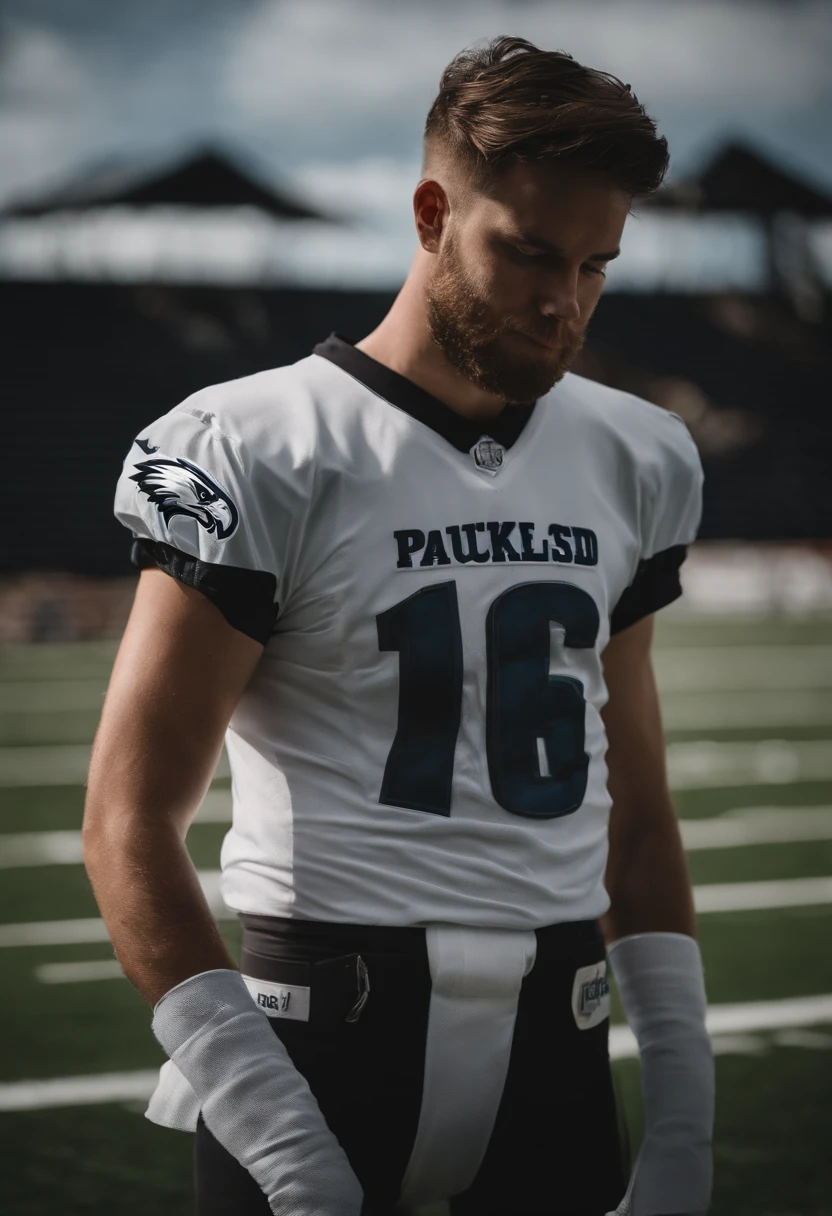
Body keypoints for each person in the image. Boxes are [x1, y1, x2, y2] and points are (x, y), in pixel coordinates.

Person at [83, 34, 713, 1216]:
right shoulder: (253, 444)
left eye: (595, 266)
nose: (560, 301)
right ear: (431, 210)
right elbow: (127, 824)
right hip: (321, 1046)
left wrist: (682, 1123)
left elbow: (634, 817)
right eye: (527, 252)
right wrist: (279, 1141)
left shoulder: (635, 453)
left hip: (558, 1044)